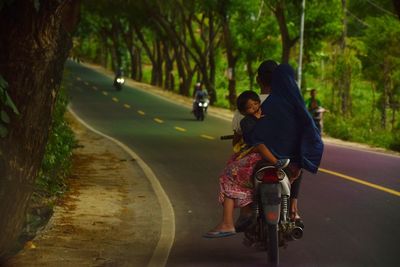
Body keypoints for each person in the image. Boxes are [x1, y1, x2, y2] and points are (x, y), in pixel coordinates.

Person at [203, 61, 323, 238]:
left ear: (259, 80)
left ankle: (241, 214)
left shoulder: (247, 108)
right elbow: (308, 132)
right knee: (299, 162)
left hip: (259, 159)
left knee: (230, 173)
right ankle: (293, 209)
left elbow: (242, 137)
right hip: (289, 161)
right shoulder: (293, 104)